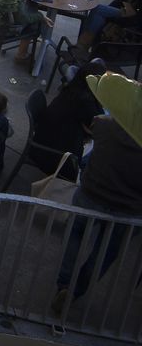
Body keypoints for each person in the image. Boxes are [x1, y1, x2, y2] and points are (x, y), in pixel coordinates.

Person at [51, 110, 142, 316]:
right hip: (129, 211)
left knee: (75, 234)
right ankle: (75, 291)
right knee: (106, 252)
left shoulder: (105, 125)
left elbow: (94, 127)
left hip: (92, 194)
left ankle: (64, 284)